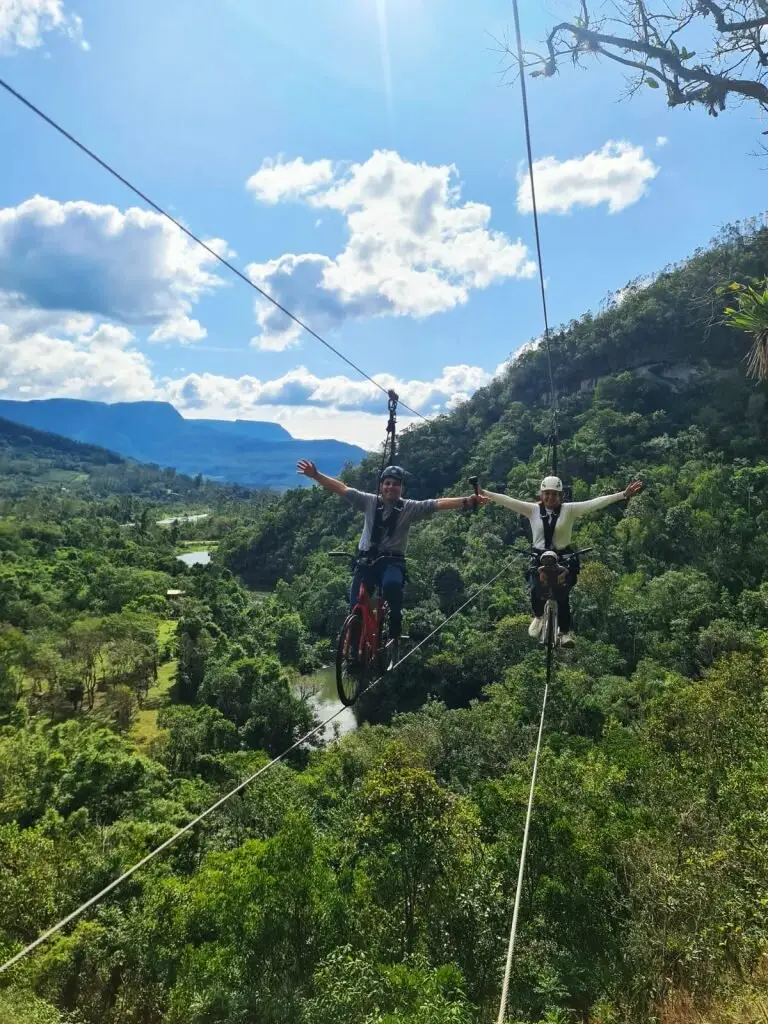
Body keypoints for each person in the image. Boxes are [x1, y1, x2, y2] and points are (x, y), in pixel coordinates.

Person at [297, 460, 487, 642]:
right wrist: (316, 475)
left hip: (392, 562)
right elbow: (341, 489)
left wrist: (467, 501)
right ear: (381, 486)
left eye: (395, 484)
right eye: (387, 483)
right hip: (366, 562)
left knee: (391, 586)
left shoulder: (409, 508)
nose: (390, 487)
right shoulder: (369, 502)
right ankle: (354, 653)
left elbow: (436, 504)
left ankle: (395, 619)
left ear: (401, 488)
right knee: (355, 607)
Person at [481, 475, 643, 646]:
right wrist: (484, 492)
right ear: (541, 494)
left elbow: (595, 503)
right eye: (547, 494)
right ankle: (538, 616)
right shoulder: (532, 510)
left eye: (554, 494)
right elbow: (508, 501)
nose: (550, 498)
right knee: (536, 587)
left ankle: (564, 632)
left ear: (561, 495)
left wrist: (623, 495)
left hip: (563, 557)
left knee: (563, 594)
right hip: (539, 556)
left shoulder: (569, 510)